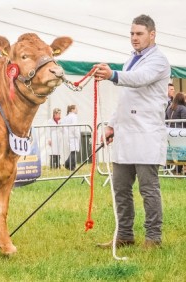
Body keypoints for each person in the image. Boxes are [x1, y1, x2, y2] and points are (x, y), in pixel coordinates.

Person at [94, 14, 171, 249]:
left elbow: (139, 79)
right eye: (132, 34)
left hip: (147, 133)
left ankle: (153, 238)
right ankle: (125, 234)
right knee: (120, 188)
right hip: (126, 134)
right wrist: (111, 125)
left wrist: (113, 75)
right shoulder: (131, 59)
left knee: (148, 189)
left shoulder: (158, 61)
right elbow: (126, 98)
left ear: (152, 34)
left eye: (139, 34)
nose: (134, 38)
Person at [61, 105, 80, 171]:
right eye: (76, 109)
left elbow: (62, 126)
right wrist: (77, 135)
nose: (77, 110)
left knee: (73, 151)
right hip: (73, 136)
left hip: (67, 136)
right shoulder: (73, 116)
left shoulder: (66, 117)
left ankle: (69, 165)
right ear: (72, 109)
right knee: (74, 151)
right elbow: (74, 127)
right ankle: (69, 165)